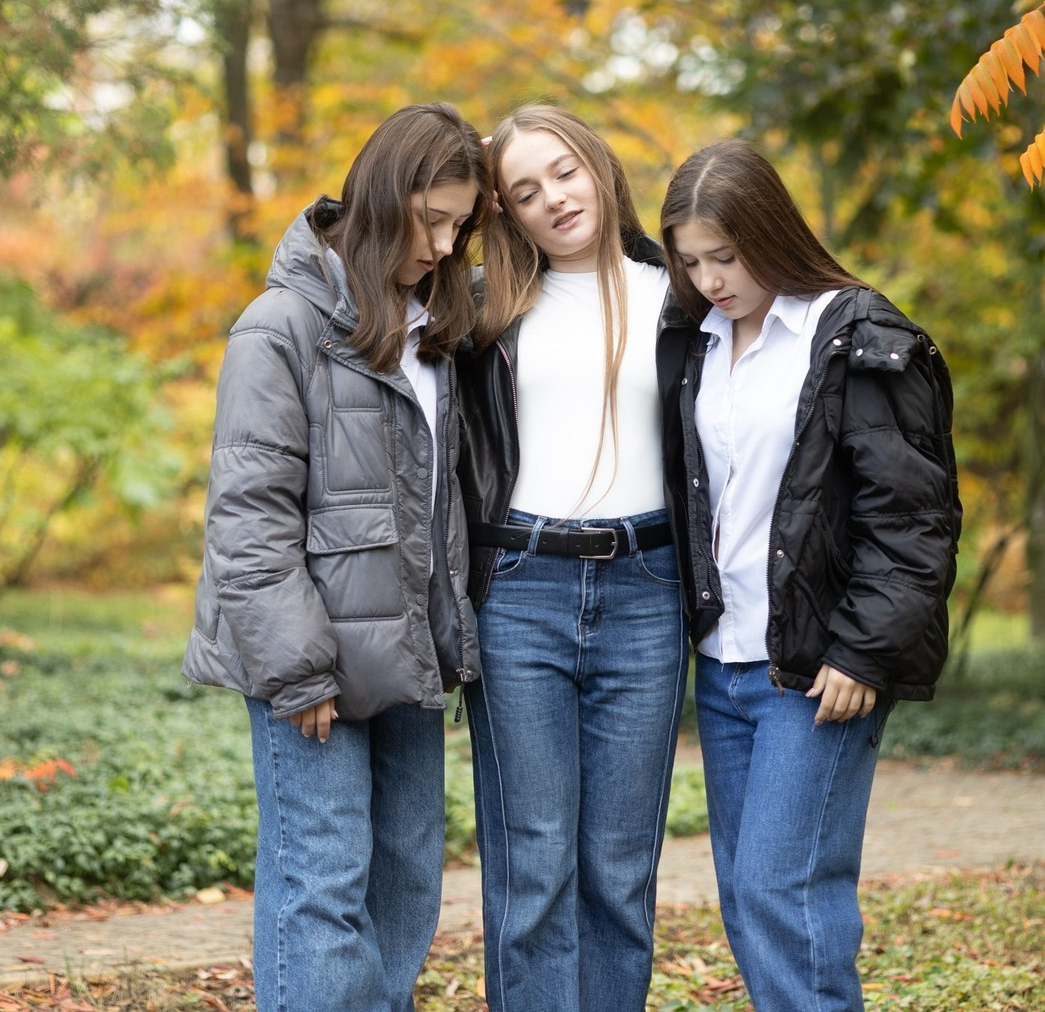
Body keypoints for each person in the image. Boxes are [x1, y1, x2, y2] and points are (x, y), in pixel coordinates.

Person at [182, 102, 486, 1012]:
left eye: (460, 225)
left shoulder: (437, 331)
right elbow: (248, 513)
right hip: (311, 662)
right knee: (322, 884)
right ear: (383, 198)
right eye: (431, 219)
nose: (442, 243)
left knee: (405, 882)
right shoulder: (280, 325)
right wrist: (299, 670)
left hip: (408, 651)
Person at [658, 139, 962, 1012]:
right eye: (691, 261)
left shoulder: (861, 336)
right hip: (724, 661)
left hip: (819, 666)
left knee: (783, 890)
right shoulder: (696, 341)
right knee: (747, 898)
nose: (711, 278)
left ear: (771, 231)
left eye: (726, 255)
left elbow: (914, 518)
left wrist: (865, 652)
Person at [455, 104, 690, 1012]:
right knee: (535, 861)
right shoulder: (482, 309)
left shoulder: (680, 293)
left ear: (596, 165)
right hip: (519, 591)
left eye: (562, 171)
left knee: (620, 868)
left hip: (647, 587)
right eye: (523, 191)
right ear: (505, 213)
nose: (552, 198)